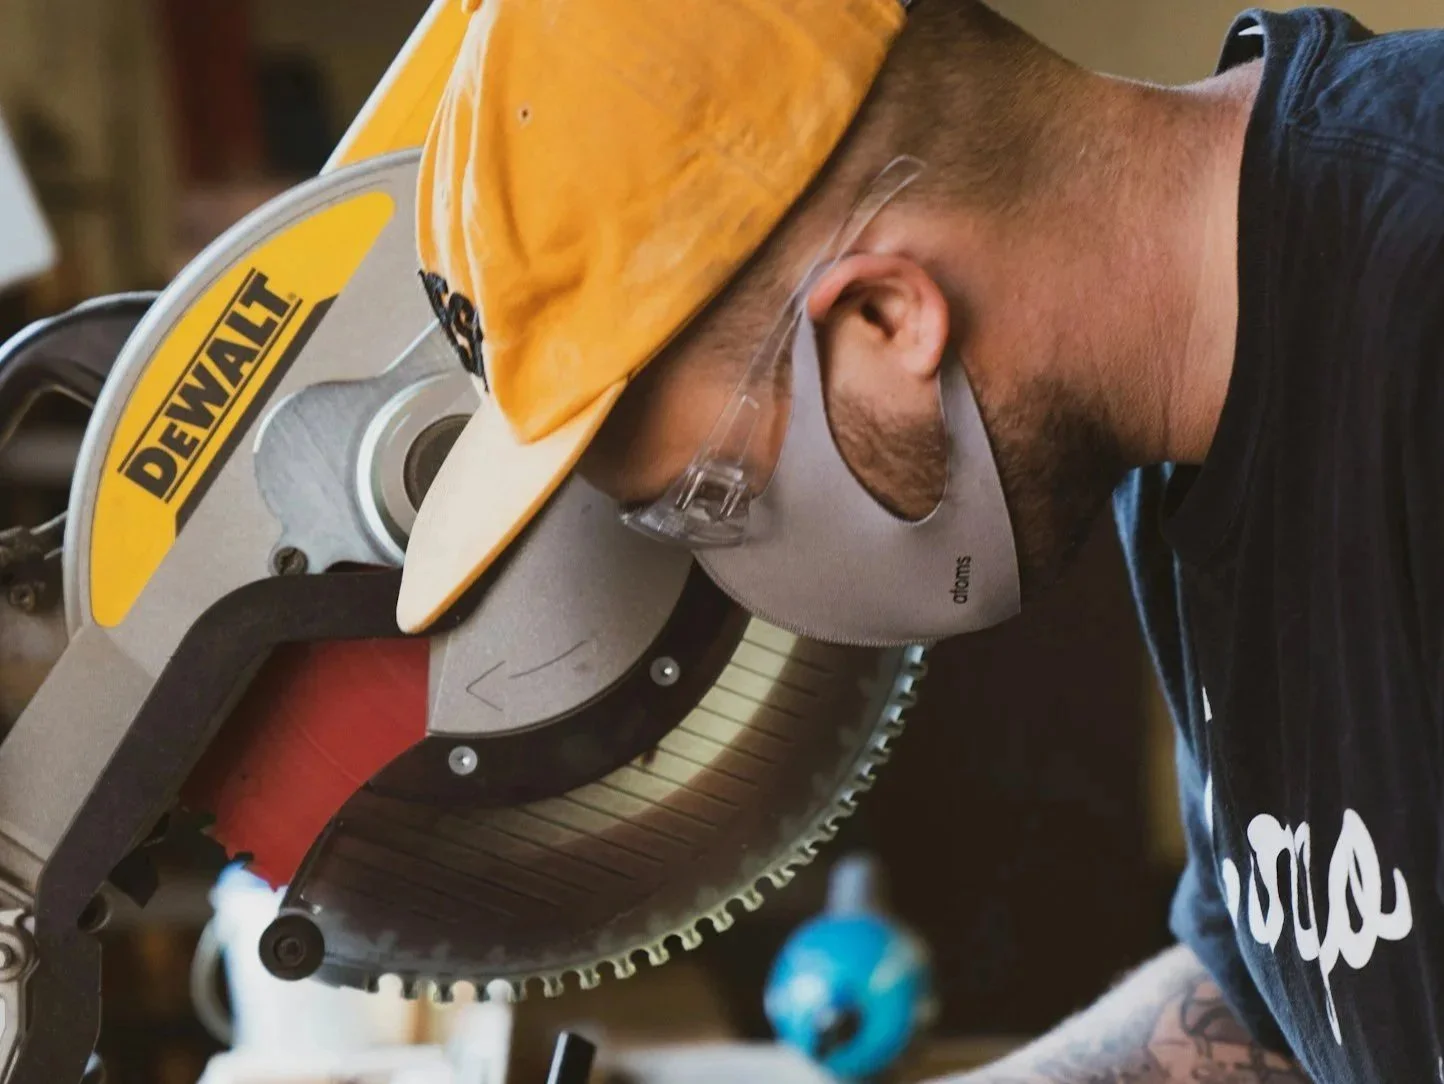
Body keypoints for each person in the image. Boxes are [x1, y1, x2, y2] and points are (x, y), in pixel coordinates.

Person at [396, 0, 1444, 1080]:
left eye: (712, 498)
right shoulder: (1168, 407)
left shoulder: (1418, 295)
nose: (725, 559)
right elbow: (1278, 982)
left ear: (888, 317)